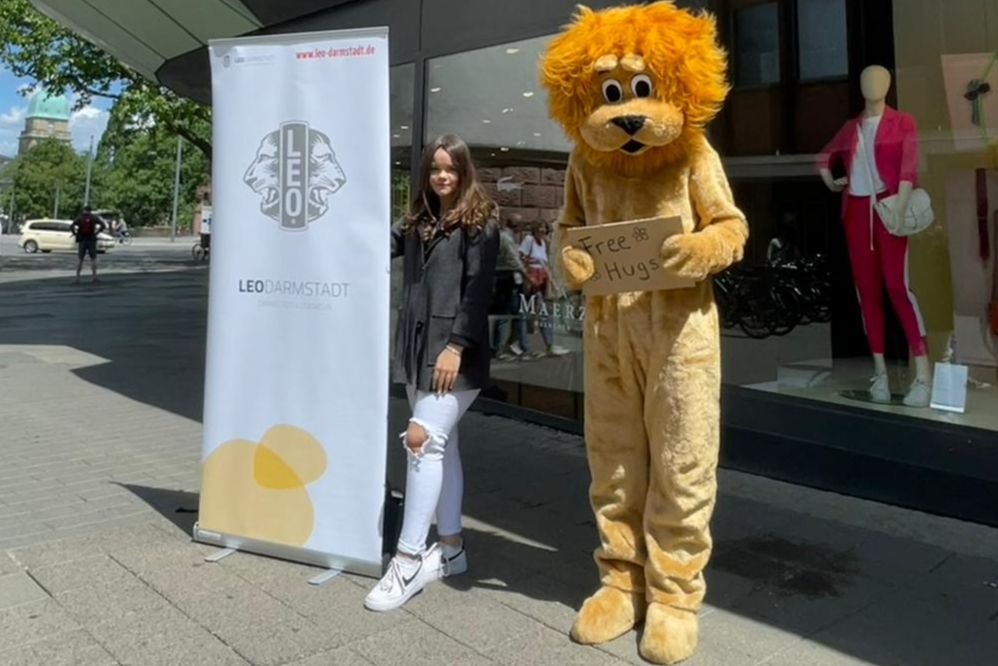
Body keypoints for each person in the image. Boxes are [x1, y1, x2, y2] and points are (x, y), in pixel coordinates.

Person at [366, 134, 499, 612]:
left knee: (421, 439)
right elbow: (380, 245)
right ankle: (452, 548)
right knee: (446, 447)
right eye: (435, 169)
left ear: (464, 172)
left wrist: (457, 346)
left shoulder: (481, 223)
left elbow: (478, 291)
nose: (443, 176)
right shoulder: (421, 220)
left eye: (451, 169)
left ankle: (406, 561)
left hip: (453, 354)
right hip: (416, 346)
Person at [517, 223, 569, 358]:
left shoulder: (543, 243)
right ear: (534, 229)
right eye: (540, 229)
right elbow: (520, 257)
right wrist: (528, 277)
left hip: (542, 279)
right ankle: (525, 348)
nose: (542, 231)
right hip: (531, 279)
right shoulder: (529, 240)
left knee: (543, 312)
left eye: (544, 229)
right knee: (525, 313)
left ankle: (549, 345)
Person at [491, 216, 528, 361]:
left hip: (502, 276)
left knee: (509, 314)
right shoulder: (507, 238)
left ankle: (504, 346)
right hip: (508, 278)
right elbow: (513, 260)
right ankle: (500, 348)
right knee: (508, 314)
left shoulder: (504, 236)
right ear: (516, 225)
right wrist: (527, 276)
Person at [71, 206, 106, 283]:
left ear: (84, 210)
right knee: (93, 258)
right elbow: (103, 225)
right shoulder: (94, 217)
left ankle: (77, 278)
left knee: (80, 259)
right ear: (90, 211)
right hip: (91, 239)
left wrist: (76, 234)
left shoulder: (80, 218)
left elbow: (72, 226)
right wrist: (96, 232)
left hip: (82, 240)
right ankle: (94, 277)